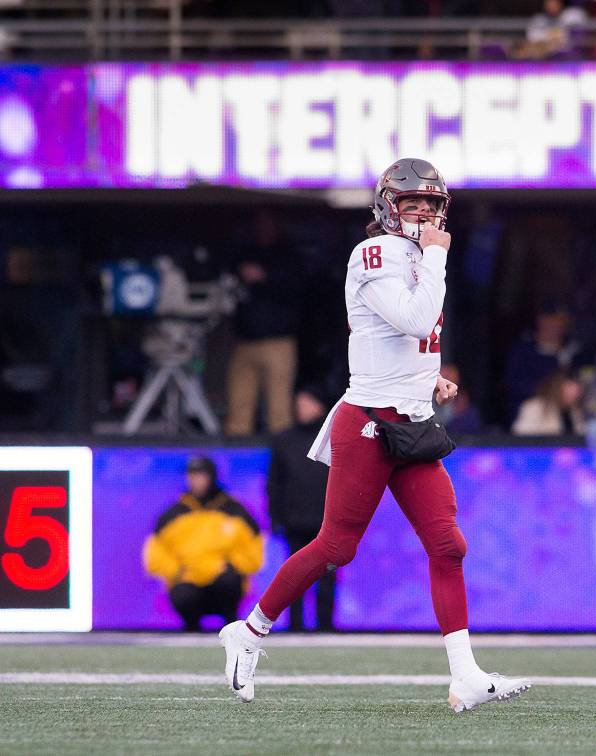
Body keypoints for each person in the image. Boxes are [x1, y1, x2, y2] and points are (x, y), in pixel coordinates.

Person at [218, 158, 531, 711]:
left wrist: (428, 377)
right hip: (368, 422)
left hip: (411, 421)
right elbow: (414, 319)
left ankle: (466, 675)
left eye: (431, 203)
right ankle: (249, 630)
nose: (423, 212)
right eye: (412, 202)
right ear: (388, 206)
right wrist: (437, 256)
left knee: (448, 545)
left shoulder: (416, 254)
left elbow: (399, 340)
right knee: (336, 546)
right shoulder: (377, 252)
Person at [143, 455, 264, 632]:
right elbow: (156, 553)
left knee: (229, 582)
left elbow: (254, 549)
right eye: (192, 476)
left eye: (200, 475)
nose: (196, 481)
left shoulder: (235, 510)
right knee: (183, 594)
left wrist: (232, 566)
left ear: (211, 477)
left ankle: (232, 628)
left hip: (224, 581)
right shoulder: (173, 514)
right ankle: (191, 628)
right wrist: (177, 571)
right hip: (189, 581)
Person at [224, 208, 301, 436]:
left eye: (266, 224)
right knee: (238, 409)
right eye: (257, 225)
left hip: (278, 342)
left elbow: (297, 290)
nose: (261, 229)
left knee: (279, 412)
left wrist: (265, 277)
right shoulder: (244, 254)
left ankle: (283, 456)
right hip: (245, 341)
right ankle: (238, 455)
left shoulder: (288, 256)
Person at [267, 386, 335, 632]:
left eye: (308, 403)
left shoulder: (334, 437)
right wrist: (276, 517)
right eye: (300, 403)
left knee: (327, 577)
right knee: (294, 575)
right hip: (294, 521)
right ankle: (295, 625)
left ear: (320, 406)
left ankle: (325, 625)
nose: (302, 408)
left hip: (327, 522)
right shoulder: (284, 440)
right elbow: (274, 483)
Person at [511, 369, 585, 436]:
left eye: (578, 389)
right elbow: (521, 437)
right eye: (569, 387)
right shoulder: (535, 407)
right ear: (557, 388)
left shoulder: (575, 412)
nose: (576, 393)